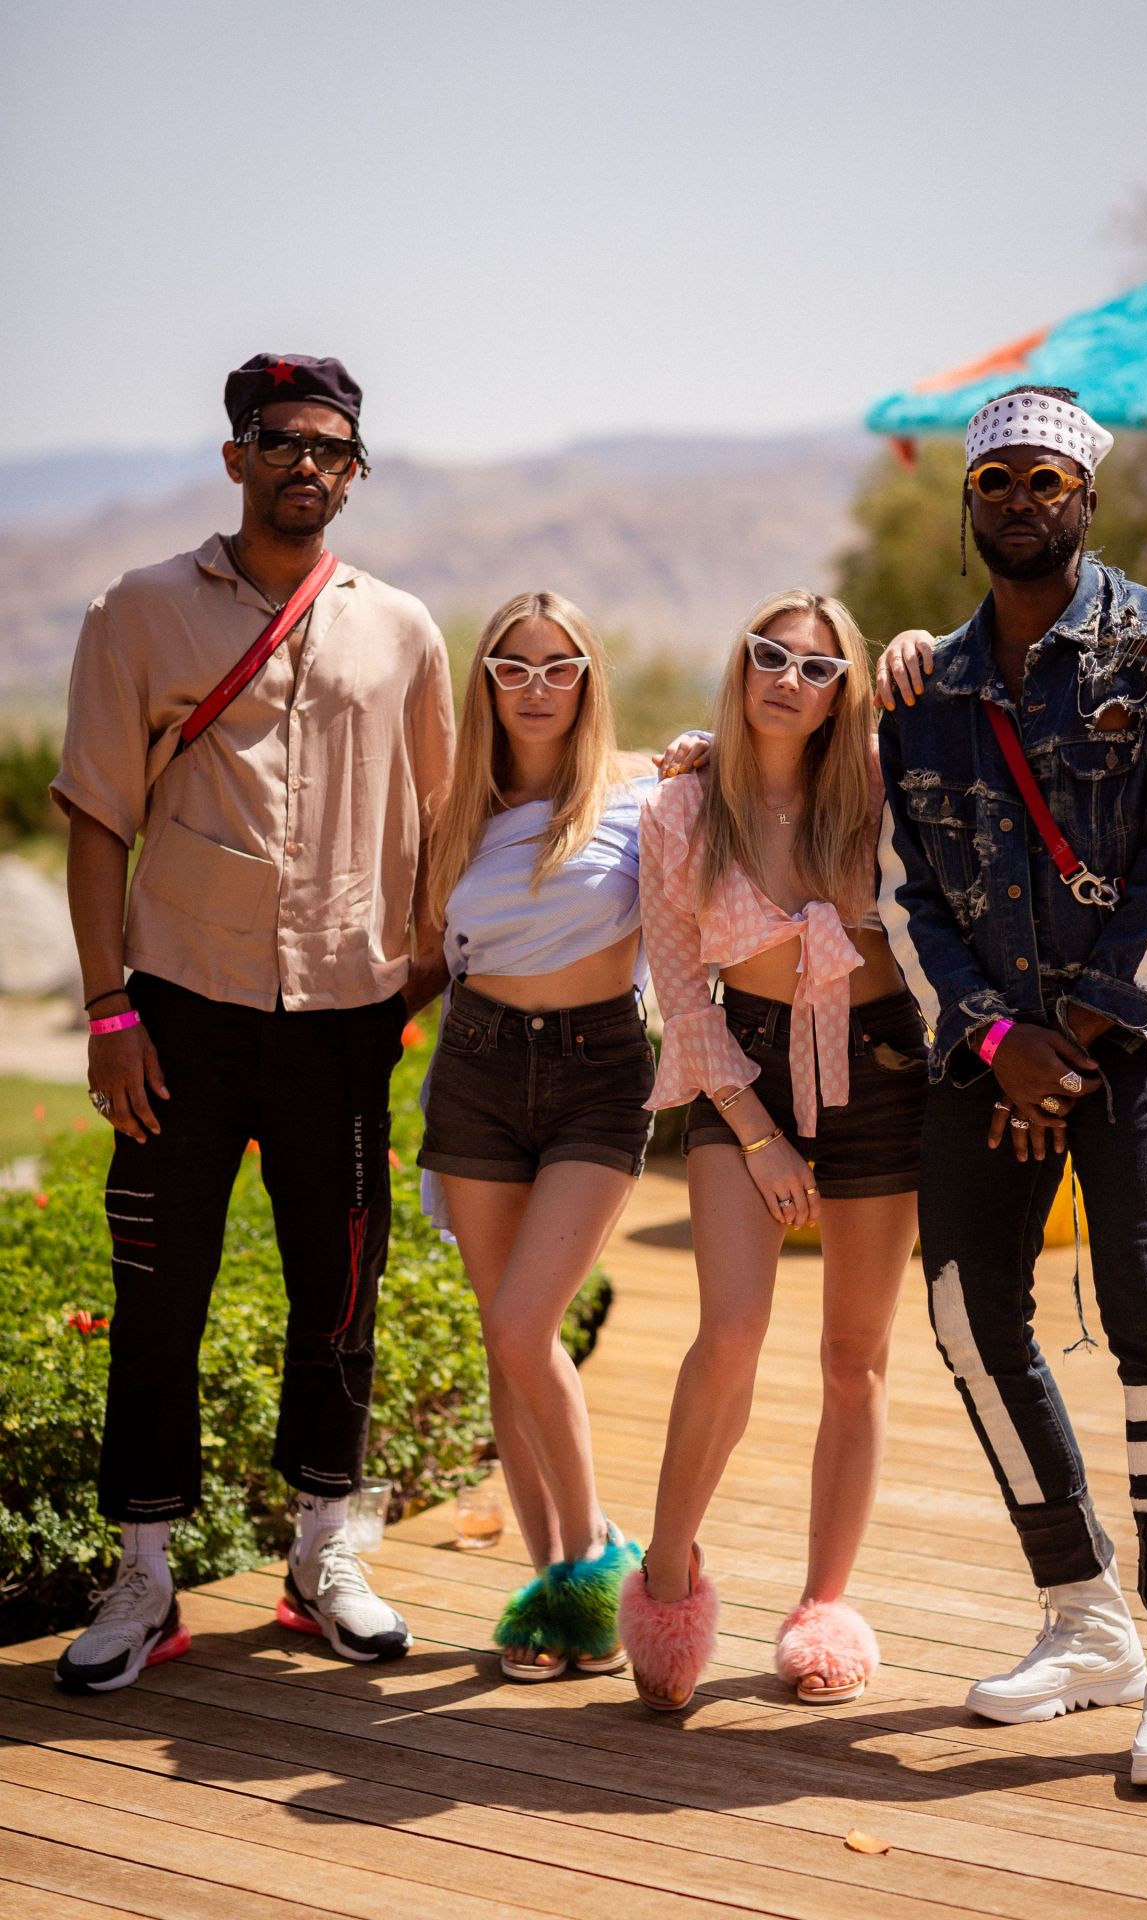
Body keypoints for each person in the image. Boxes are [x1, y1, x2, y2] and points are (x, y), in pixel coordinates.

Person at [52, 353, 455, 1690]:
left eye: (334, 450)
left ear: (355, 473)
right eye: (280, 441)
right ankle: (144, 1579)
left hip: (344, 1024)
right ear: (234, 456)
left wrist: (409, 986)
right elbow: (97, 815)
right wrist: (110, 1011)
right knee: (156, 1298)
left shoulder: (403, 633)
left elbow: (448, 834)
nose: (307, 466)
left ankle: (321, 1554)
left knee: (337, 1299)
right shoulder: (142, 610)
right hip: (176, 1018)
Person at [876, 386, 1147, 1788]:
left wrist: (1074, 1038)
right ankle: (1081, 1612)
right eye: (994, 484)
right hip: (985, 1056)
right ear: (970, 507)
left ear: (1087, 498)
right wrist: (990, 1041)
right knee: (968, 1315)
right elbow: (898, 885)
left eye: (1044, 480)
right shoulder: (928, 689)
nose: (1019, 501)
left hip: (1131, 1046)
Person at [618, 590, 925, 1712]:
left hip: (883, 1067)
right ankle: (664, 1579)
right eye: (766, 656)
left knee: (855, 1355)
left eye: (815, 668)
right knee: (731, 1333)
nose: (786, 679)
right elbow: (677, 985)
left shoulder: (887, 790)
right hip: (737, 1067)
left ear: (844, 691)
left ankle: (823, 1605)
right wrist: (755, 1134)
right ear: (736, 664)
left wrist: (909, 652)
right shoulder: (680, 810)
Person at [418, 590, 660, 1678]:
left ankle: (591, 1561)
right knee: (500, 1340)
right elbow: (428, 954)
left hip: (598, 1073)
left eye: (557, 667)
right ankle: (553, 1583)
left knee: (526, 1325)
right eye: (512, 668)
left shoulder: (647, 789)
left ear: (587, 680)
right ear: (485, 682)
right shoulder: (453, 809)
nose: (535, 688)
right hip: (475, 1069)